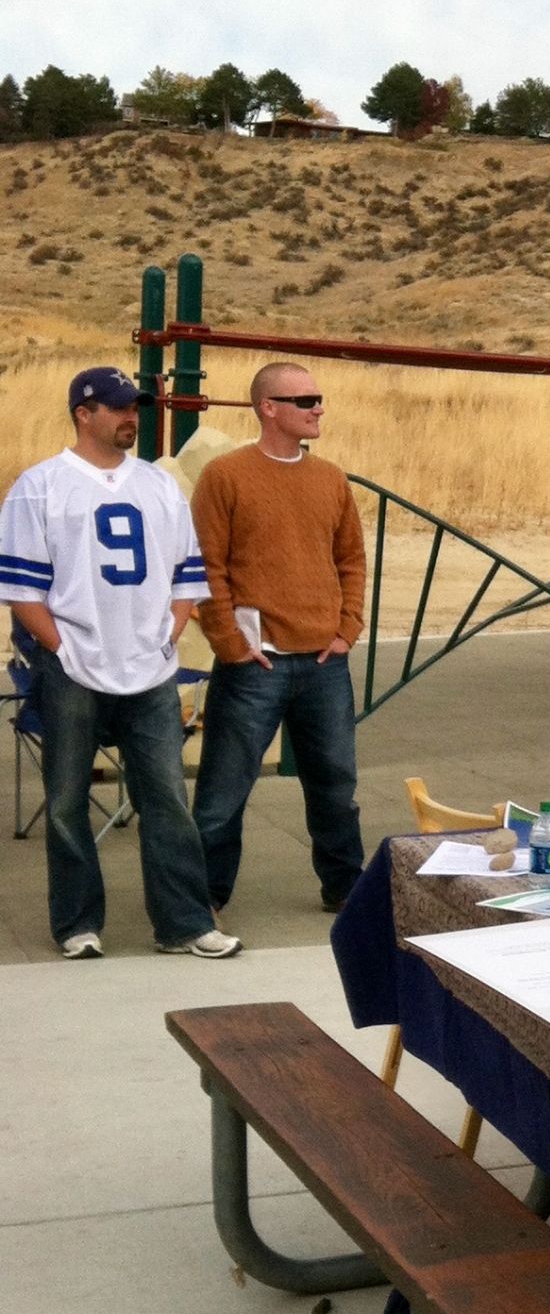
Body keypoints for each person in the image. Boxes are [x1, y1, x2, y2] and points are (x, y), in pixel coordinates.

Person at [0, 366, 241, 959]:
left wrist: (170, 632)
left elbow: (188, 574)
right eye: (117, 407)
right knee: (64, 800)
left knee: (165, 797)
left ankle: (184, 923)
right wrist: (63, 649)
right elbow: (22, 591)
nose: (131, 416)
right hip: (74, 666)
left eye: (135, 406)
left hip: (150, 669)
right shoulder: (41, 486)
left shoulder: (158, 485)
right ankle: (78, 923)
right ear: (84, 413)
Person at [191, 363, 367, 915]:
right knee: (222, 794)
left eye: (320, 399)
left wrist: (347, 630)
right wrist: (229, 642)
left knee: (336, 788)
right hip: (253, 665)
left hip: (323, 662)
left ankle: (345, 892)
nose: (319, 408)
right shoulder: (225, 476)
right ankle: (202, 900)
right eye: (305, 399)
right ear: (268, 408)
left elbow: (352, 560)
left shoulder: (331, 478)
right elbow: (204, 566)